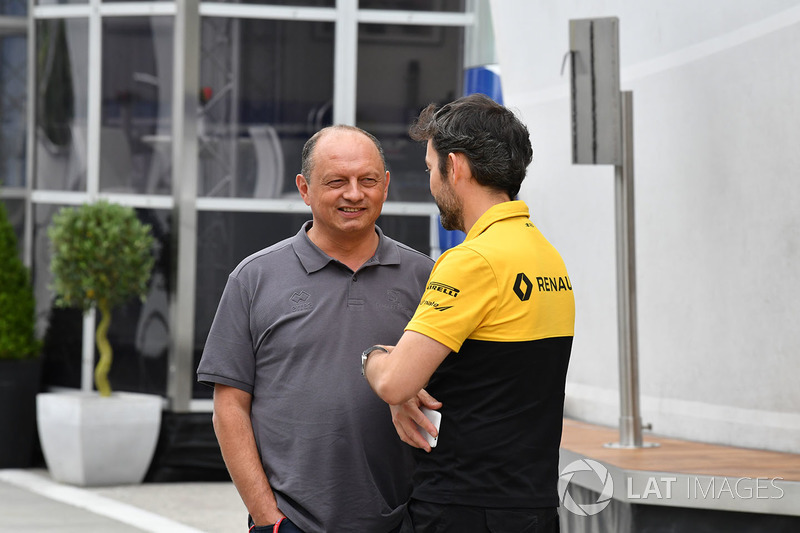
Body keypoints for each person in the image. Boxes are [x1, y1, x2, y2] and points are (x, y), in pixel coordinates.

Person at [197, 125, 434, 533]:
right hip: (292, 524)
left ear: (386, 185)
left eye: (368, 181)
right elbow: (229, 407)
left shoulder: (426, 278)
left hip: (403, 522)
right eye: (337, 182)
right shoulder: (254, 279)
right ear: (304, 189)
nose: (355, 194)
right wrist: (269, 519)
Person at [363, 94, 575, 533]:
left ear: (454, 167)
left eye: (429, 169)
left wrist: (373, 356)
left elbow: (394, 382)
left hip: (462, 507)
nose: (431, 183)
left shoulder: (472, 260)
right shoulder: (548, 257)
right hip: (533, 507)